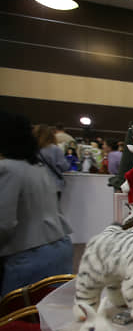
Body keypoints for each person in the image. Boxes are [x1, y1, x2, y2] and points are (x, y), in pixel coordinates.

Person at [1, 111, 73, 297]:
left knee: (15, 318)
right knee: (50, 314)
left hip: (29, 253)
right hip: (59, 245)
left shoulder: (8, 169)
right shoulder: (37, 167)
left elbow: (4, 223)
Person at [33, 124, 71, 199]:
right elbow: (64, 167)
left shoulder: (31, 149)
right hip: (53, 185)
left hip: (34, 185)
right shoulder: (55, 149)